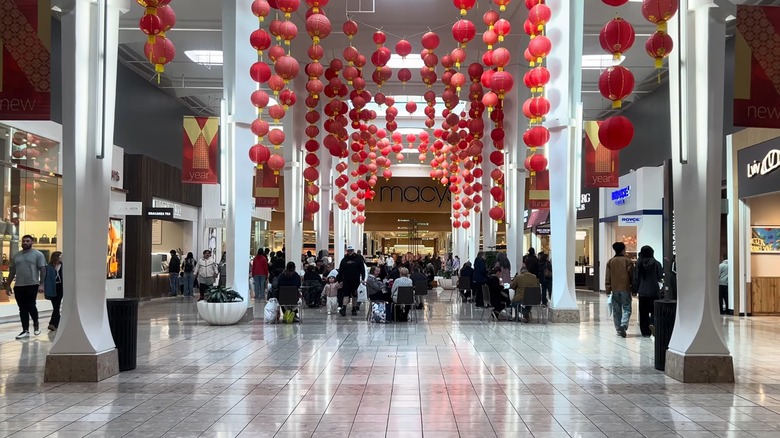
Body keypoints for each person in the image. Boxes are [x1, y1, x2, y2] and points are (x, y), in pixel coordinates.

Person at [6, 235, 46, 339]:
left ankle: (36, 324)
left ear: (32, 242)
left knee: (31, 305)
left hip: (32, 284)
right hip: (19, 285)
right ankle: (25, 330)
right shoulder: (17, 255)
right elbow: (12, 271)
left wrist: (42, 284)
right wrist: (8, 285)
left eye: (27, 241)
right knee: (22, 308)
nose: (25, 243)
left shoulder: (38, 254)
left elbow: (42, 270)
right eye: (23, 241)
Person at [606, 242, 634, 338]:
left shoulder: (610, 262)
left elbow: (608, 277)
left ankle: (618, 330)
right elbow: (632, 276)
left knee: (616, 310)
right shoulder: (627, 261)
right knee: (627, 308)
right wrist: (633, 288)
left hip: (614, 289)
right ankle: (624, 324)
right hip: (625, 288)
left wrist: (608, 289)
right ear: (623, 249)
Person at [635, 245, 664, 337]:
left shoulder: (639, 264)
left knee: (643, 313)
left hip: (642, 292)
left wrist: (635, 289)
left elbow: (636, 278)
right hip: (654, 291)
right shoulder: (657, 264)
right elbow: (660, 277)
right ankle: (653, 325)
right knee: (654, 311)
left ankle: (645, 332)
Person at [337, 245, 366, 316]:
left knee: (354, 295)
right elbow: (340, 271)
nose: (350, 252)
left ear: (353, 251)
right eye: (348, 251)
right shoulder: (344, 260)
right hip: (346, 280)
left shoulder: (358, 259)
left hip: (356, 280)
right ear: (347, 251)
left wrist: (363, 278)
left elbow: (362, 269)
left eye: (351, 250)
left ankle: (354, 308)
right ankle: (344, 308)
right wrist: (340, 280)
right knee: (346, 294)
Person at [43, 251, 64, 331]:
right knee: (55, 306)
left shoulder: (63, 266)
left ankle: (53, 324)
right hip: (52, 287)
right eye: (60, 256)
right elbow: (46, 278)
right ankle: (55, 324)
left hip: (60, 287)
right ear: (56, 257)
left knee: (56, 305)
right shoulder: (49, 267)